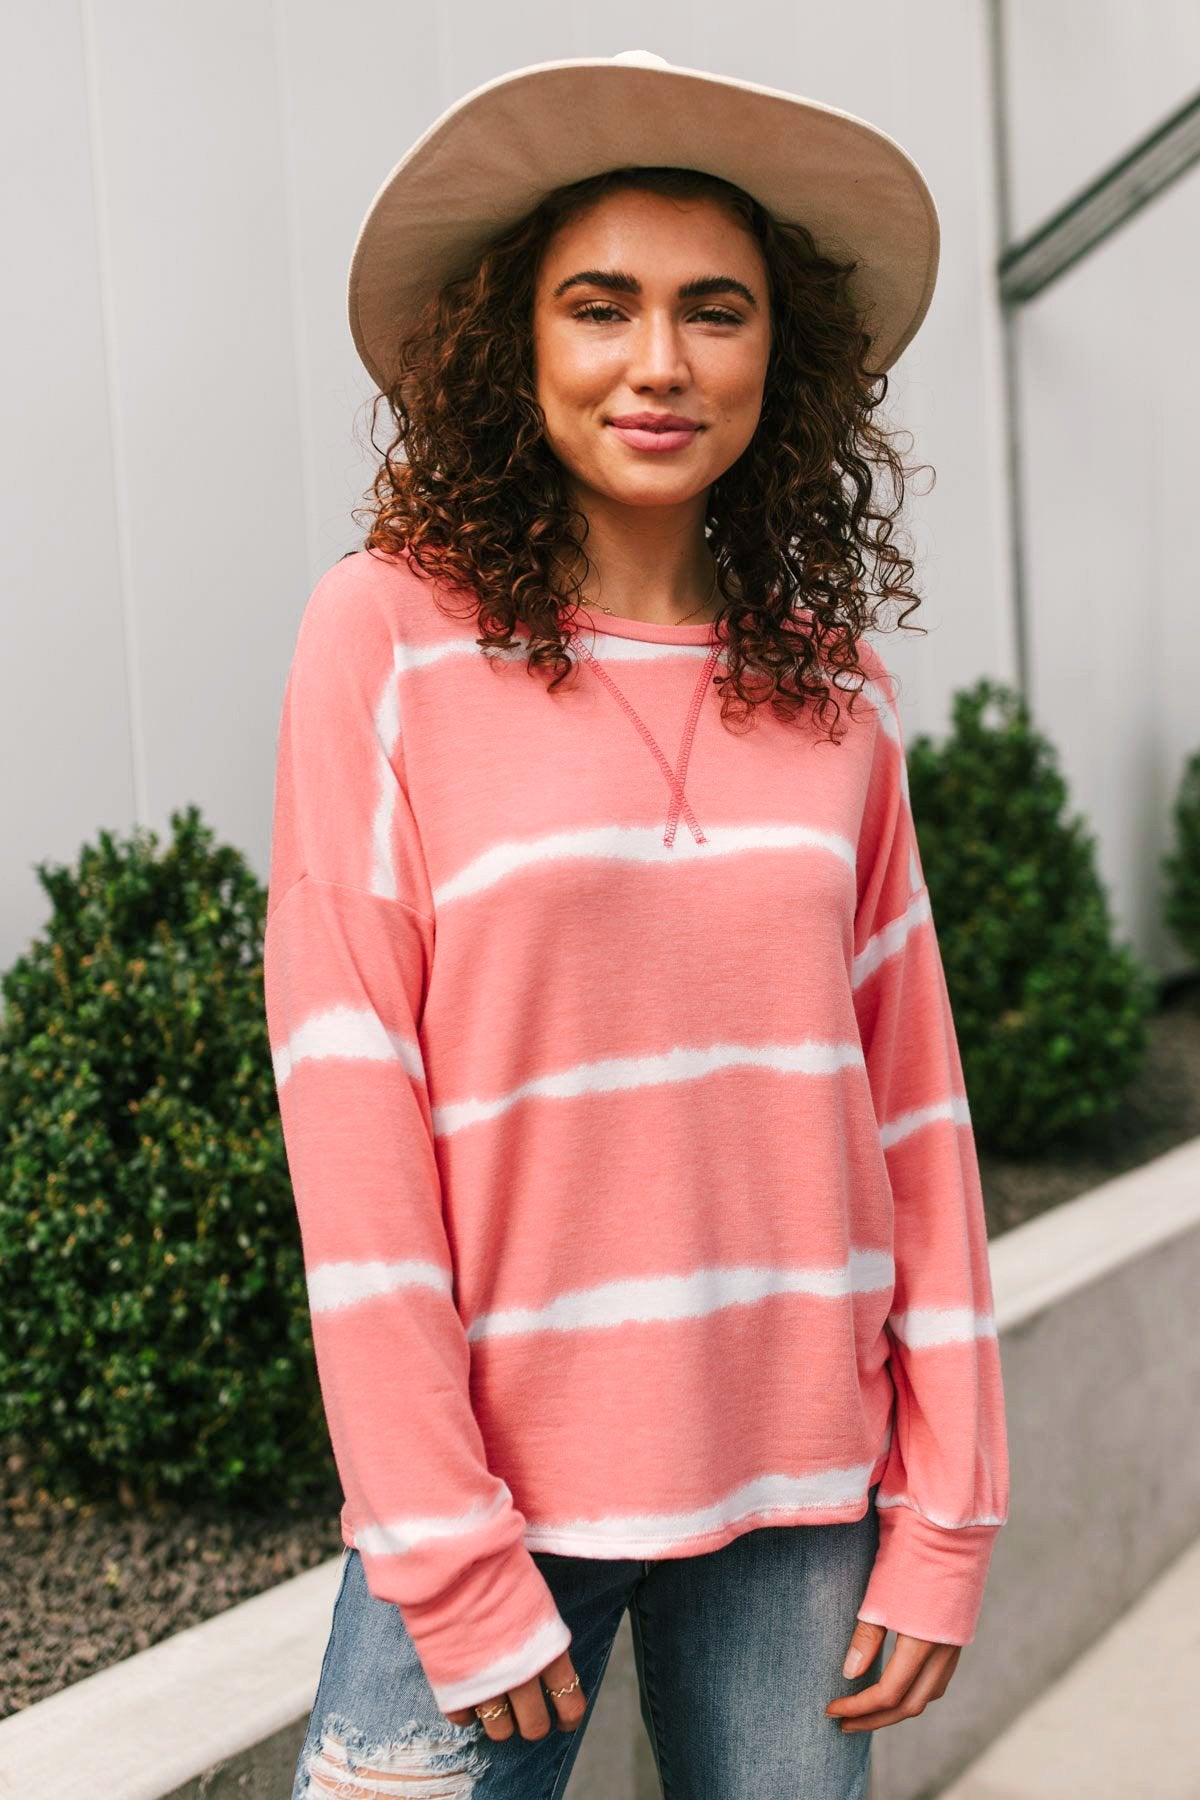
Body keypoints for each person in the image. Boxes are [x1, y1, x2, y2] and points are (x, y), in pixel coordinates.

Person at [266, 49, 1010, 1800]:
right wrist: (446, 1548)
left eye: (715, 311)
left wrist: (948, 1507)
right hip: (494, 1494)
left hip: (803, 1488)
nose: (659, 363)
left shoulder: (835, 689)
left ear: (784, 358)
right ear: (512, 346)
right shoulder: (385, 637)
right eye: (600, 308)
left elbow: (916, 1114)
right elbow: (346, 1093)